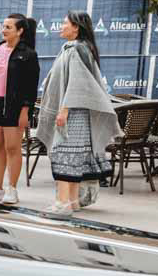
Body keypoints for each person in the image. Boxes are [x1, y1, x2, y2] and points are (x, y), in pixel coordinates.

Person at [35, 13, 119, 215]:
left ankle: (62, 202)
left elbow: (77, 84)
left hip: (72, 113)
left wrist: (64, 110)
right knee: (72, 156)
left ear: (76, 28)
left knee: (64, 154)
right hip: (77, 113)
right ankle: (72, 201)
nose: (61, 26)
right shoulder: (75, 49)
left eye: (65, 23)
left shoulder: (76, 50)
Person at [0, 14, 40, 204]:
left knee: (12, 147)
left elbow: (31, 86)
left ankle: (12, 188)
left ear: (20, 31)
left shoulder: (28, 54)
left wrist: (26, 111)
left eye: (8, 27)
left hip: (14, 107)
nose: (3, 30)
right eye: (3, 26)